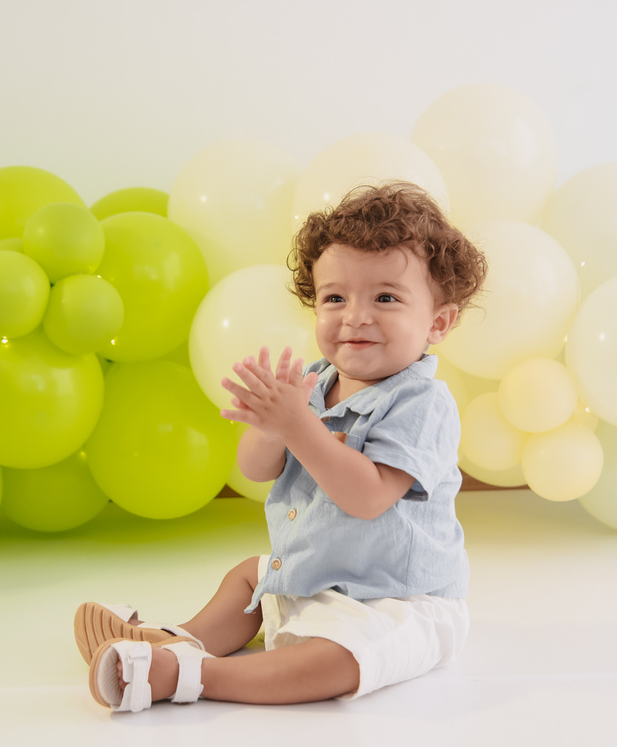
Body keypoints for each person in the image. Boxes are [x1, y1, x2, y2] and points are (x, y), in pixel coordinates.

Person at [75, 181, 488, 712]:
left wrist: (297, 426)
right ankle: (177, 638)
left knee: (343, 660)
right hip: (313, 575)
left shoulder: (422, 403)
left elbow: (367, 497)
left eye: (385, 298)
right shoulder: (313, 381)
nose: (355, 316)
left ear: (438, 322)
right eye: (335, 298)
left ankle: (192, 675)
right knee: (248, 576)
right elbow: (254, 467)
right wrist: (271, 426)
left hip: (394, 599)